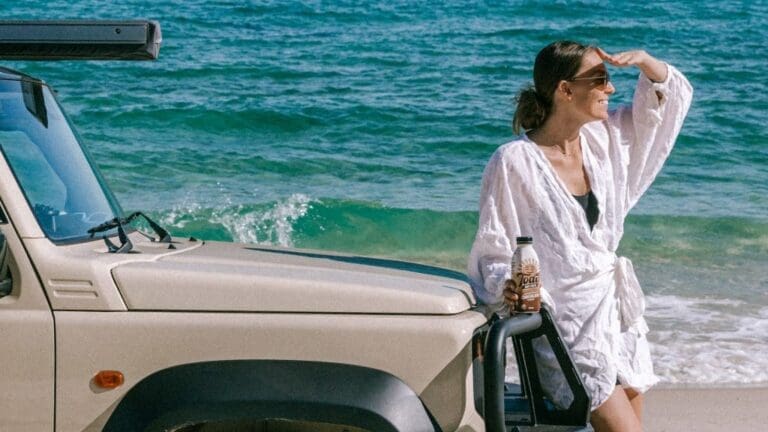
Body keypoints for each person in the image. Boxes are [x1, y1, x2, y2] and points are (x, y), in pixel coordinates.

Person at [467, 41, 692, 432]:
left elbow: (665, 107)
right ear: (565, 90)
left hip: (615, 317)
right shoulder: (514, 161)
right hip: (564, 328)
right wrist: (508, 284)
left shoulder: (604, 141)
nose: (611, 89)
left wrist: (644, 61)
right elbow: (494, 247)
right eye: (601, 80)